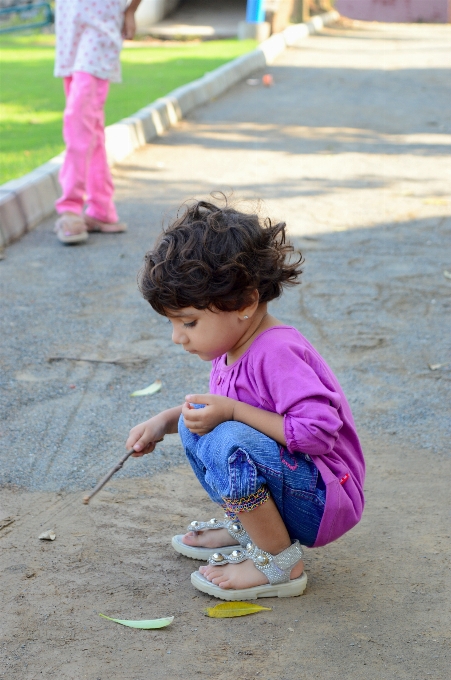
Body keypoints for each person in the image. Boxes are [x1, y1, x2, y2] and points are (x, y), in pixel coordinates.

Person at [126, 197, 366, 600]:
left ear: (245, 303)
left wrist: (233, 411)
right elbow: (219, 413)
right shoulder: (232, 346)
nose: (177, 337)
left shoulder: (277, 351)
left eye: (189, 322)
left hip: (326, 498)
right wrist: (164, 423)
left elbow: (316, 435)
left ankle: (280, 563)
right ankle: (249, 526)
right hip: (298, 482)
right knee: (196, 422)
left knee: (228, 440)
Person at [53, 0, 142, 245]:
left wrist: (132, 9)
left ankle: (70, 206)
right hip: (70, 21)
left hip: (101, 23)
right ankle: (102, 208)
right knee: (90, 124)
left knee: (78, 117)